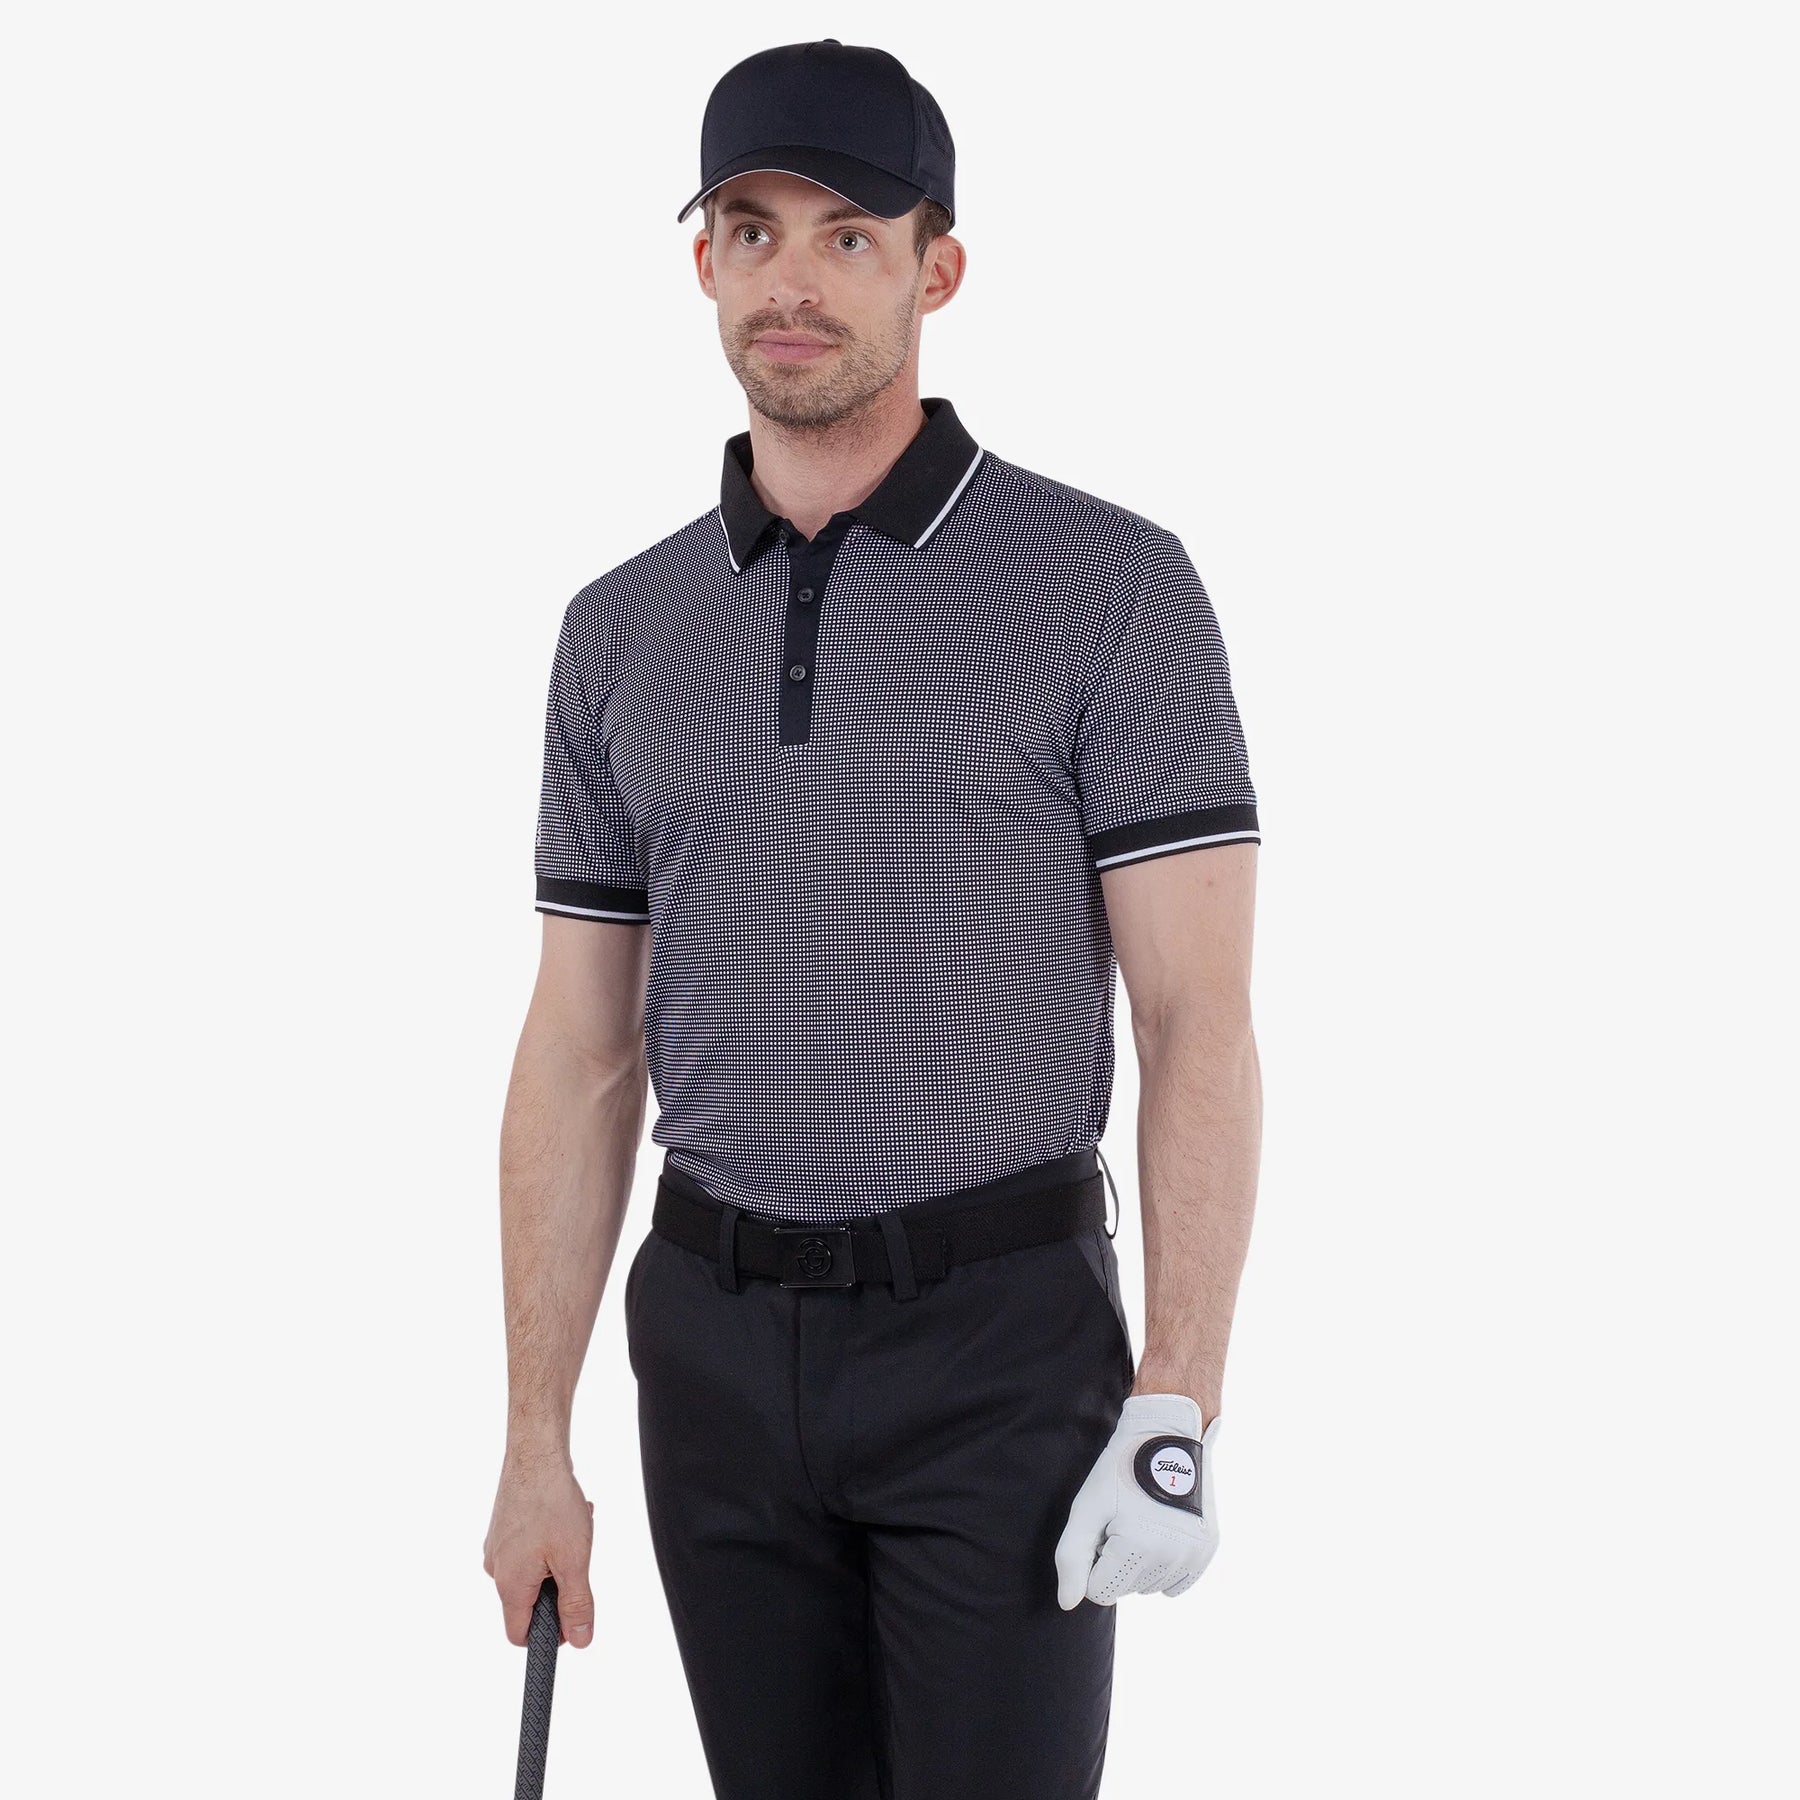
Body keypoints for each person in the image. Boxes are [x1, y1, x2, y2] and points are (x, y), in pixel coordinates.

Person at [483, 37, 1263, 1800]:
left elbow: (1196, 1018)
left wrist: (1177, 1398)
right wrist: (536, 1439)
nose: (795, 282)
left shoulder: (1108, 586)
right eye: (753, 231)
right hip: (710, 1350)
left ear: (939, 267)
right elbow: (579, 1050)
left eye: (850, 236)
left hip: (999, 1346)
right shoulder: (620, 629)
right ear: (703, 262)